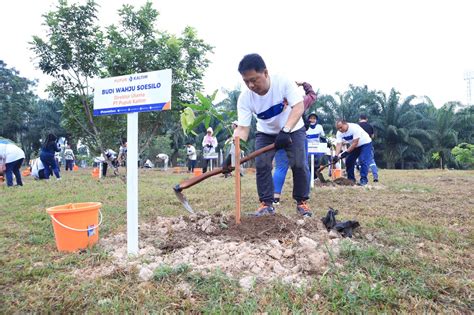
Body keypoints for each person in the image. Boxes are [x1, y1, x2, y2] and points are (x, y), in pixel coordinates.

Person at [228, 53, 311, 217]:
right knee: (262, 164)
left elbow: (299, 107)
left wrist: (285, 130)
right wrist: (233, 151)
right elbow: (243, 129)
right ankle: (266, 204)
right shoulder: (245, 98)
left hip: (293, 128)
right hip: (265, 133)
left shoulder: (283, 82)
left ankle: (302, 202)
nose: (251, 85)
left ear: (265, 73)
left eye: (254, 79)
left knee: (299, 163)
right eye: (246, 81)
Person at [273, 82, 317, 205]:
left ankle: (275, 197)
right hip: (297, 135)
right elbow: (312, 95)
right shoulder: (300, 101)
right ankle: (302, 198)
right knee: (302, 166)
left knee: (280, 167)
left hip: (280, 135)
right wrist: (304, 84)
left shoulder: (276, 103)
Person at [334, 119, 374, 186]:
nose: (340, 130)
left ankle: (363, 180)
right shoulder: (339, 133)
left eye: (341, 127)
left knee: (363, 160)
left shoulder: (354, 127)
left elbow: (355, 142)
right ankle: (351, 180)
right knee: (349, 161)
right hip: (355, 146)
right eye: (338, 128)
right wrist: (336, 156)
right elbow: (339, 144)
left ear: (345, 124)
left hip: (365, 144)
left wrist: (346, 152)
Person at [358, 114, 379, 182]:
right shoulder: (370, 126)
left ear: (359, 119)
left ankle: (363, 177)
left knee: (361, 161)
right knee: (371, 160)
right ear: (366, 119)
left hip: (359, 145)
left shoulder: (357, 126)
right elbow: (372, 136)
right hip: (368, 145)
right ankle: (375, 175)